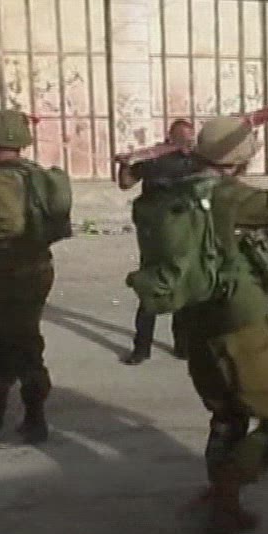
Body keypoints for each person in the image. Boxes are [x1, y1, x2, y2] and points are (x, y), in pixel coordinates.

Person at [173, 113, 268, 534]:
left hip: (195, 320)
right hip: (239, 321)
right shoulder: (232, 197)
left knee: (227, 416)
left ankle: (224, 496)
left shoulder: (175, 189)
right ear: (241, 160)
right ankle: (227, 492)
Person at [0, 110, 71, 447]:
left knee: (23, 345)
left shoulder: (0, 179)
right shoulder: (31, 171)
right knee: (3, 338)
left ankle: (35, 422)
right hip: (33, 267)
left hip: (15, 272)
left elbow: (10, 224)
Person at [115, 119, 198, 365]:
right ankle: (142, 348)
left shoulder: (196, 161)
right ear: (170, 138)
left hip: (183, 231)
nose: (187, 144)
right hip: (153, 233)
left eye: (190, 139)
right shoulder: (153, 158)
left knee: (182, 287)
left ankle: (182, 345)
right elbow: (126, 183)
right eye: (183, 139)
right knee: (150, 287)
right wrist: (125, 164)